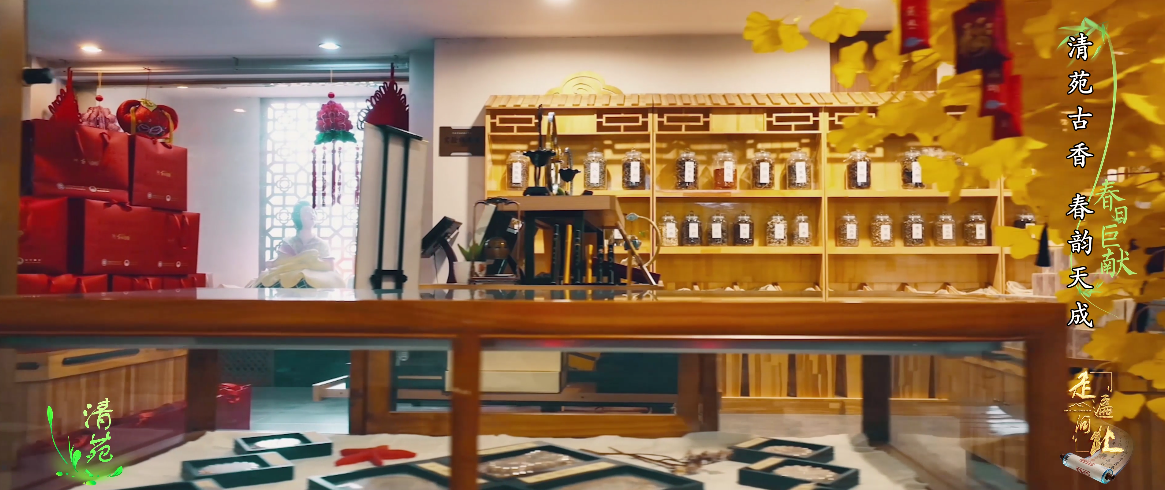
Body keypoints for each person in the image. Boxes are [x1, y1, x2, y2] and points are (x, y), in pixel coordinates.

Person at [248, 201, 345, 288]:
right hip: (289, 276)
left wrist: (302, 262)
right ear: (298, 218)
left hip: (315, 278)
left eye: (313, 212)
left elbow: (328, 265)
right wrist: (306, 260)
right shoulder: (289, 242)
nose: (312, 214)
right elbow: (280, 262)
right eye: (307, 212)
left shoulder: (322, 244)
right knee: (270, 281)